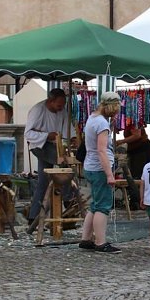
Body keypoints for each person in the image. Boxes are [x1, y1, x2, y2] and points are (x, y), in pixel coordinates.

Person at [78, 91, 123, 254]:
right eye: (116, 108)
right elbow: (102, 150)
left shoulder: (92, 118)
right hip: (100, 169)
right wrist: (110, 175)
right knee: (103, 206)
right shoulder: (102, 124)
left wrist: (111, 126)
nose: (117, 111)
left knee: (94, 204)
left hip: (90, 166)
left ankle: (86, 238)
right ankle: (100, 242)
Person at [24, 88, 72, 232]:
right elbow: (28, 133)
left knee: (43, 181)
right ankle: (68, 199)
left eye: (63, 105)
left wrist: (72, 138)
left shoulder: (61, 110)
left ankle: (34, 217)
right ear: (50, 101)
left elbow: (66, 128)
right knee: (65, 164)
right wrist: (46, 136)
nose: (61, 108)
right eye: (58, 105)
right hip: (39, 145)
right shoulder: (38, 110)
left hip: (53, 145)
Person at [117, 121, 150, 206]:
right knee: (136, 175)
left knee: (139, 176)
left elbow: (137, 135)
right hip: (136, 151)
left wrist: (121, 141)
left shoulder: (134, 120)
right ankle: (138, 200)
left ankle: (140, 201)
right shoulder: (126, 121)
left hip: (142, 151)